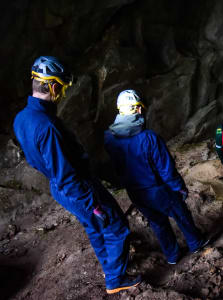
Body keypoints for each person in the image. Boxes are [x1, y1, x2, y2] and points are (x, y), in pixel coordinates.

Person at [13, 56, 141, 294]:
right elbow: (66, 174)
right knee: (116, 225)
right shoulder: (46, 126)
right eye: (61, 86)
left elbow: (34, 159)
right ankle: (116, 279)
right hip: (77, 187)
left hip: (61, 187)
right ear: (52, 86)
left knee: (93, 227)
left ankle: (109, 267)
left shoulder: (21, 118)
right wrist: (92, 204)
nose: (62, 92)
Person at [103, 90, 209, 265]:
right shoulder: (149, 138)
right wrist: (178, 187)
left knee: (157, 223)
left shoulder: (109, 139)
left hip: (135, 192)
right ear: (138, 110)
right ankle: (195, 242)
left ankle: (173, 255)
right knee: (181, 214)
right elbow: (166, 168)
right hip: (157, 189)